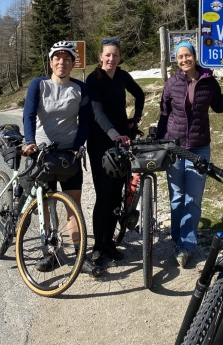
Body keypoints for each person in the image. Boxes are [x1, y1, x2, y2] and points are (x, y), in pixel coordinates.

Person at [23, 40, 103, 277]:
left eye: (67, 59)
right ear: (51, 62)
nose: (62, 62)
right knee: (47, 206)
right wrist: (30, 142)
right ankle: (52, 253)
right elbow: (28, 115)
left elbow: (86, 121)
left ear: (73, 63)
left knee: (73, 206)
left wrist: (78, 146)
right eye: (57, 58)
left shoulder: (80, 88)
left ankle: (80, 255)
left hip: (69, 154)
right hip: (42, 153)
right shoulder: (38, 84)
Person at [156, 41, 223, 268]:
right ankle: (177, 237)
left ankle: (186, 246)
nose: (184, 60)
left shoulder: (208, 81)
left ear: (194, 56)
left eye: (187, 55)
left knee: (193, 198)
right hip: (174, 146)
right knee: (177, 196)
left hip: (199, 147)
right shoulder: (172, 83)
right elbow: (164, 114)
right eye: (180, 57)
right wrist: (159, 141)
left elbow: (219, 107)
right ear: (176, 59)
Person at [86, 38, 145, 266]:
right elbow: (97, 111)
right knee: (103, 195)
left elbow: (139, 94)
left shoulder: (122, 76)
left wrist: (136, 118)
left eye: (115, 55)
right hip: (101, 142)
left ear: (120, 57)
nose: (111, 59)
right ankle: (98, 247)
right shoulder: (94, 79)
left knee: (116, 195)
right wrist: (114, 135)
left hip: (122, 141)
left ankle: (110, 243)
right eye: (107, 55)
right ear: (100, 57)